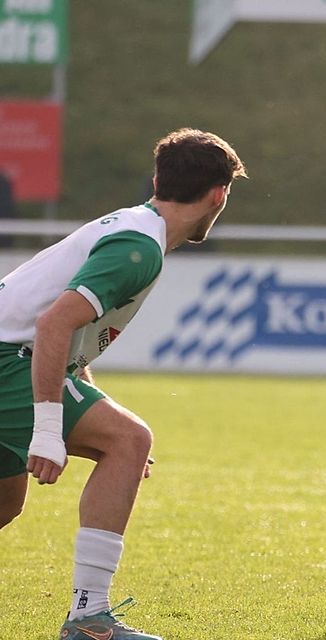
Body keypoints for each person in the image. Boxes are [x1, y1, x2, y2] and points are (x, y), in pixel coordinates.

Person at [0, 128, 246, 639]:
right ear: (219, 195)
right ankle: (89, 619)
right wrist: (49, 430)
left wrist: (91, 404)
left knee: (6, 501)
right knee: (130, 440)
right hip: (8, 362)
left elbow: (68, 338)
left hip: (10, 357)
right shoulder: (138, 248)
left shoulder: (135, 228)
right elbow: (52, 326)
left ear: (158, 179)